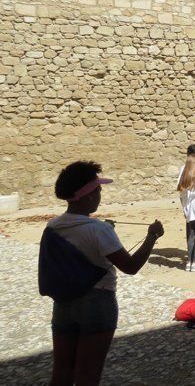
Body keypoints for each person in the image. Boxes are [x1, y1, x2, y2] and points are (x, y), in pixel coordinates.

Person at [41, 161, 164, 386]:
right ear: (86, 196)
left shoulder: (52, 227)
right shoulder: (99, 230)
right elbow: (131, 266)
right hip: (97, 303)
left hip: (64, 302)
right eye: (97, 189)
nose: (100, 193)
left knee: (61, 372)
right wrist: (152, 236)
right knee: (88, 374)